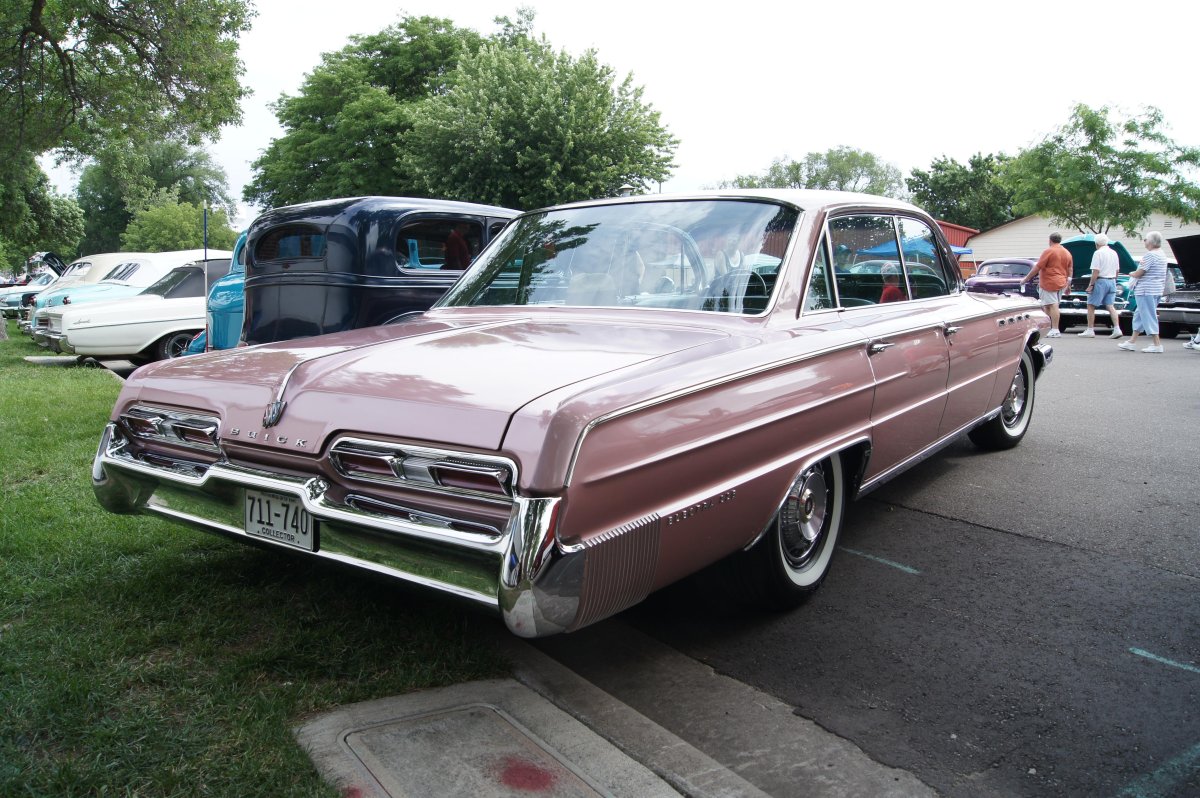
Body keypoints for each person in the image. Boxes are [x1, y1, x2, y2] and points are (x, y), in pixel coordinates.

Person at [1118, 231, 1169, 353]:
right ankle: (1132, 341)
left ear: (1151, 242)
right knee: (1139, 314)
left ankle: (1157, 344)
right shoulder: (1162, 254)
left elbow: (1139, 273)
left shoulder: (1150, 255)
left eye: (1145, 239)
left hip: (1146, 289)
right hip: (1156, 289)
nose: (1144, 241)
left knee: (1148, 315)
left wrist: (1130, 273)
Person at [1019, 232, 1073, 338]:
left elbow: (1038, 267)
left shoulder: (1049, 251)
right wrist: (1069, 284)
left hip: (1050, 282)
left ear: (1050, 240)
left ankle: (1055, 329)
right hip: (1062, 281)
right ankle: (1046, 328)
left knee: (1053, 305)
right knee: (1048, 305)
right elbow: (1070, 269)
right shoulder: (1067, 252)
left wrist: (1026, 279)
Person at [1077, 234, 1123, 338]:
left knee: (1091, 305)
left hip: (1101, 281)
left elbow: (1095, 271)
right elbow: (1117, 270)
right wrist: (1114, 281)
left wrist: (1091, 284)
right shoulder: (1114, 253)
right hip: (1112, 281)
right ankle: (1117, 328)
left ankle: (1090, 329)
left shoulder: (1098, 253)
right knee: (1110, 306)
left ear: (1097, 244)